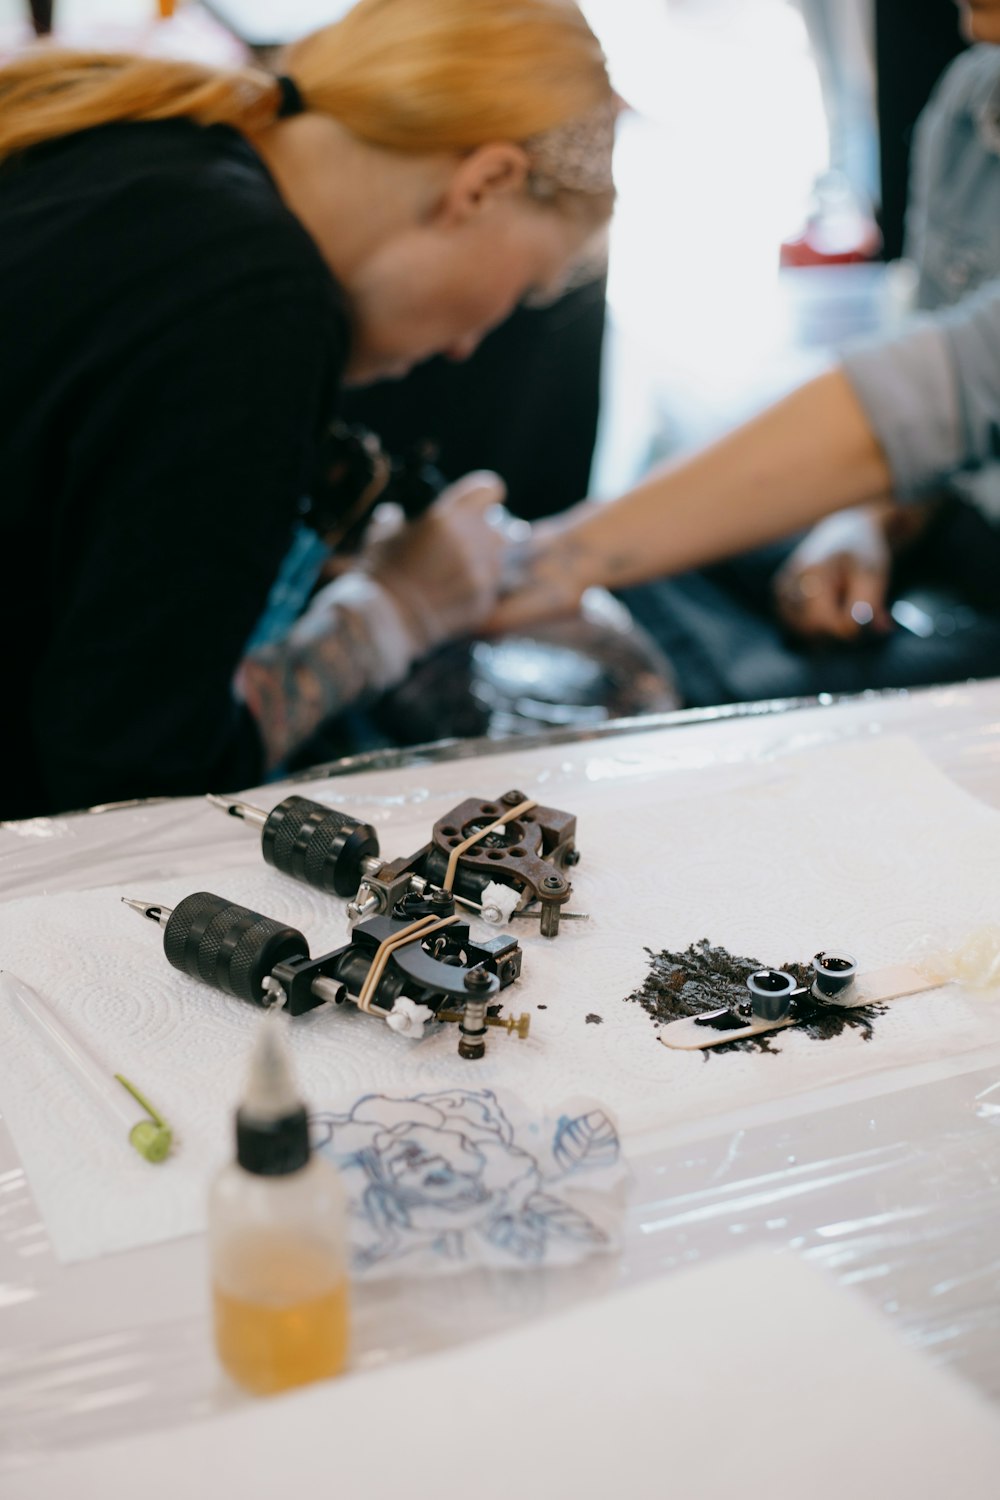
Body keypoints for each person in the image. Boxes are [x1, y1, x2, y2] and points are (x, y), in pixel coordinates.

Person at [0, 0, 615, 820]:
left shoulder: (141, 139)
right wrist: (394, 613)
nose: (472, 345)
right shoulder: (257, 306)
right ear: (485, 183)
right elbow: (130, 784)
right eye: (525, 289)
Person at [492, 0, 1000, 696]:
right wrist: (871, 520)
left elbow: (952, 385)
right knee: (661, 558)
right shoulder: (975, 102)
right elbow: (947, 409)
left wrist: (552, 560)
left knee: (755, 694)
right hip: (966, 522)